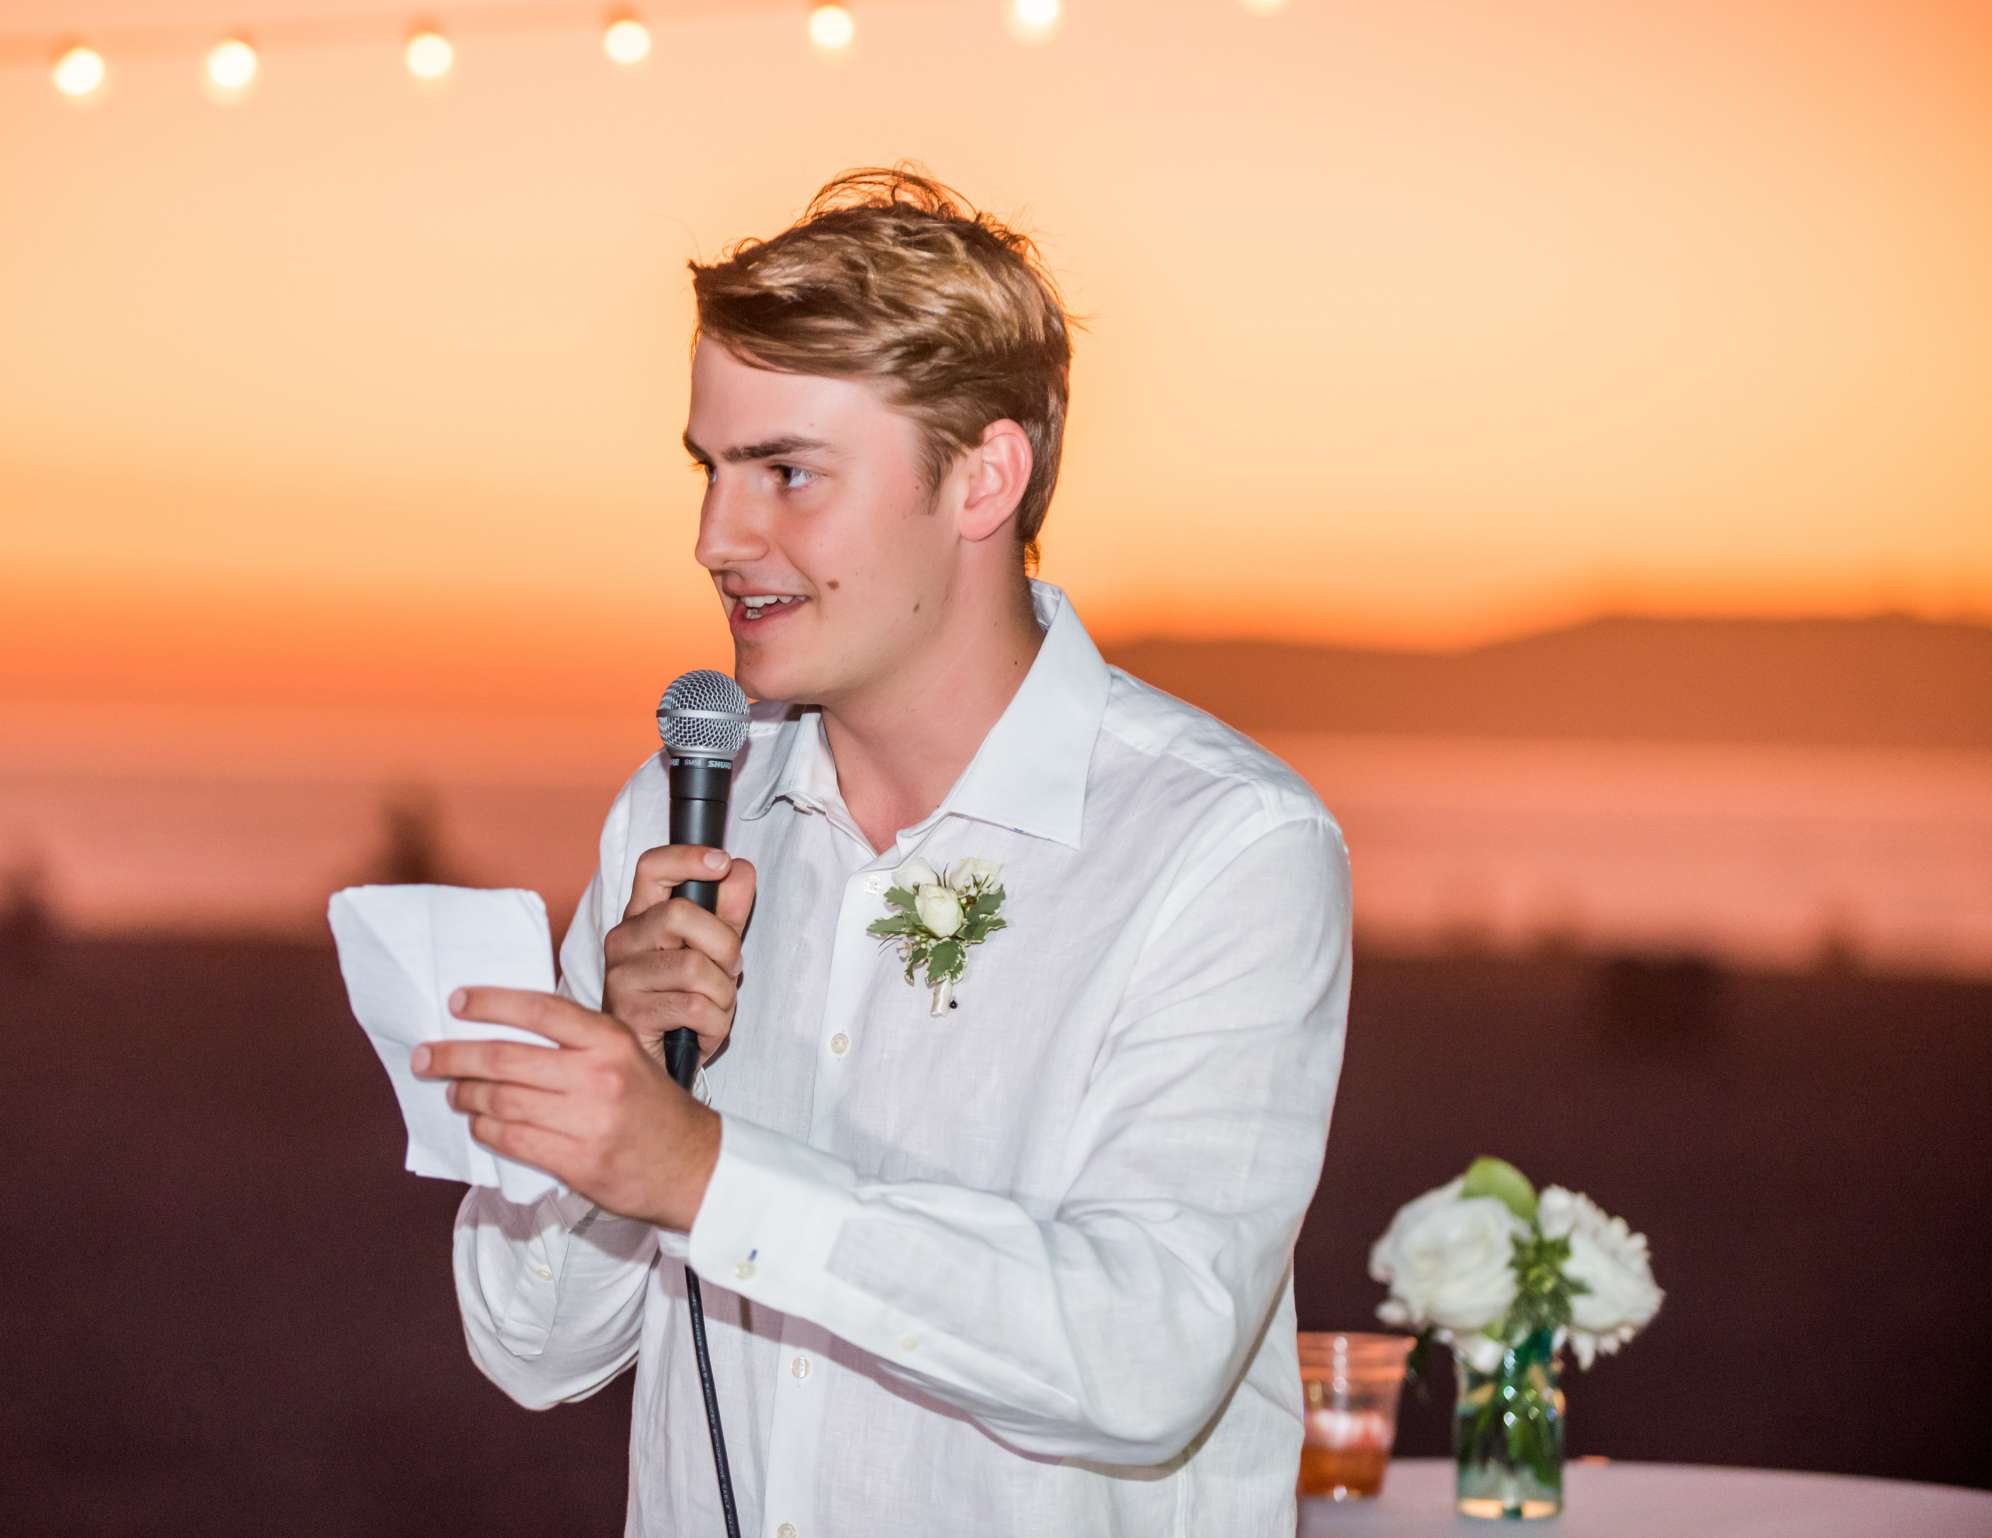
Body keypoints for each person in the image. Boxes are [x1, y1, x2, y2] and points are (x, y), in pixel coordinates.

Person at [416, 166, 1352, 1536]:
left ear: (983, 477)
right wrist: (605, 1110)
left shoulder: (1221, 848)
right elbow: (533, 1350)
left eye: (787, 472)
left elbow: (1146, 1350)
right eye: (711, 471)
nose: (718, 539)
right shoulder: (681, 806)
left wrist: (703, 1172)